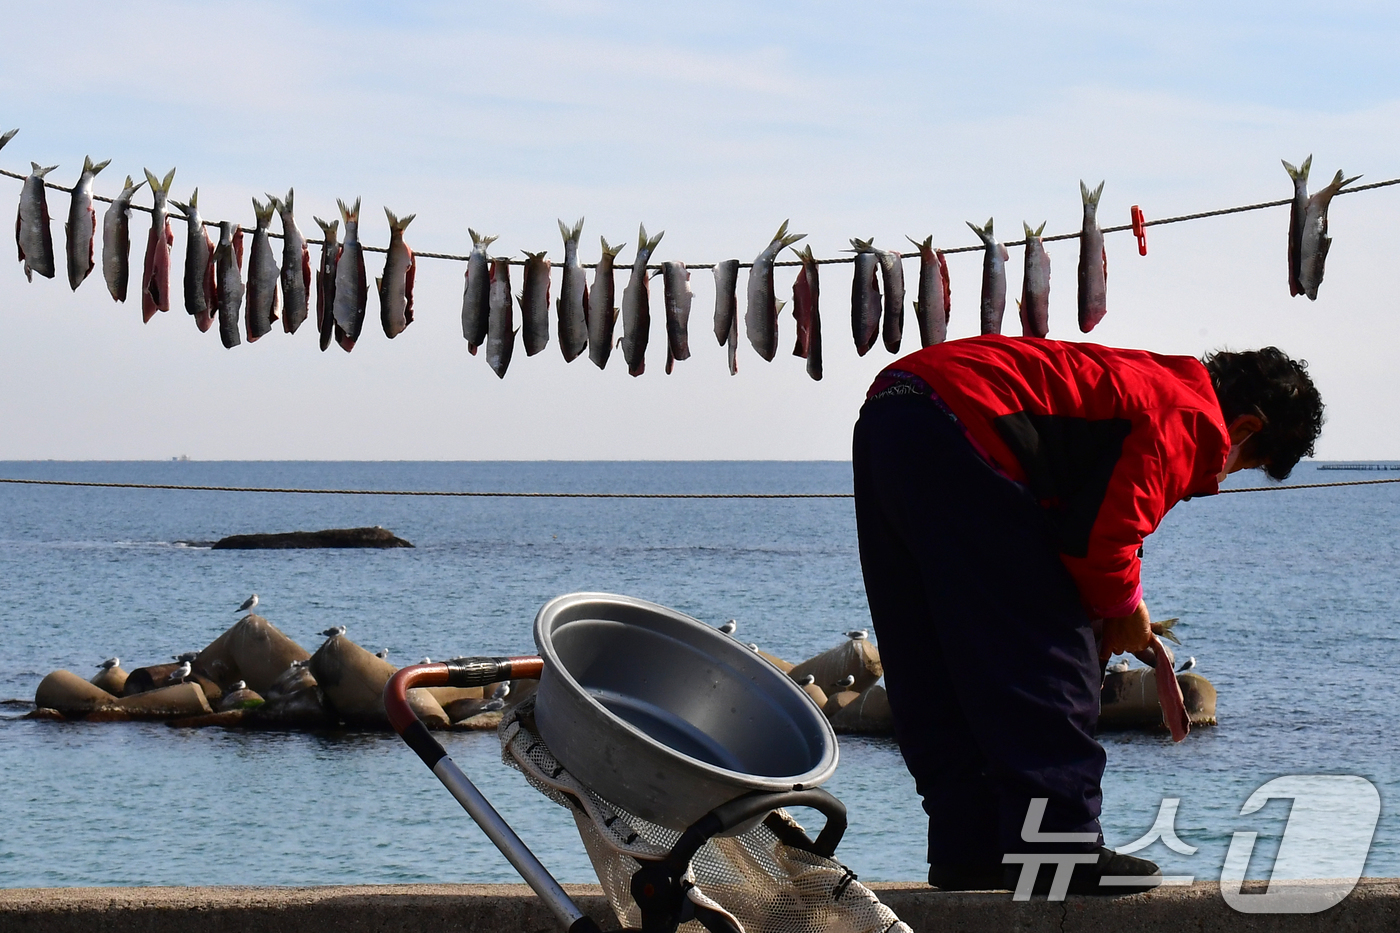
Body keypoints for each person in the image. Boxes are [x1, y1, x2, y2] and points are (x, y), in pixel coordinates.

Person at [852, 336, 1324, 895]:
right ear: (1244, 427)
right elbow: (1102, 541)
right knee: (1048, 653)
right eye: (1246, 462)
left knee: (926, 651)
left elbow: (1082, 509)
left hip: (893, 408)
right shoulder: (1191, 418)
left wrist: (1118, 599)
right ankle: (1061, 851)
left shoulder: (1147, 378)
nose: (1223, 478)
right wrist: (1122, 609)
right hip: (965, 426)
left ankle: (968, 848)